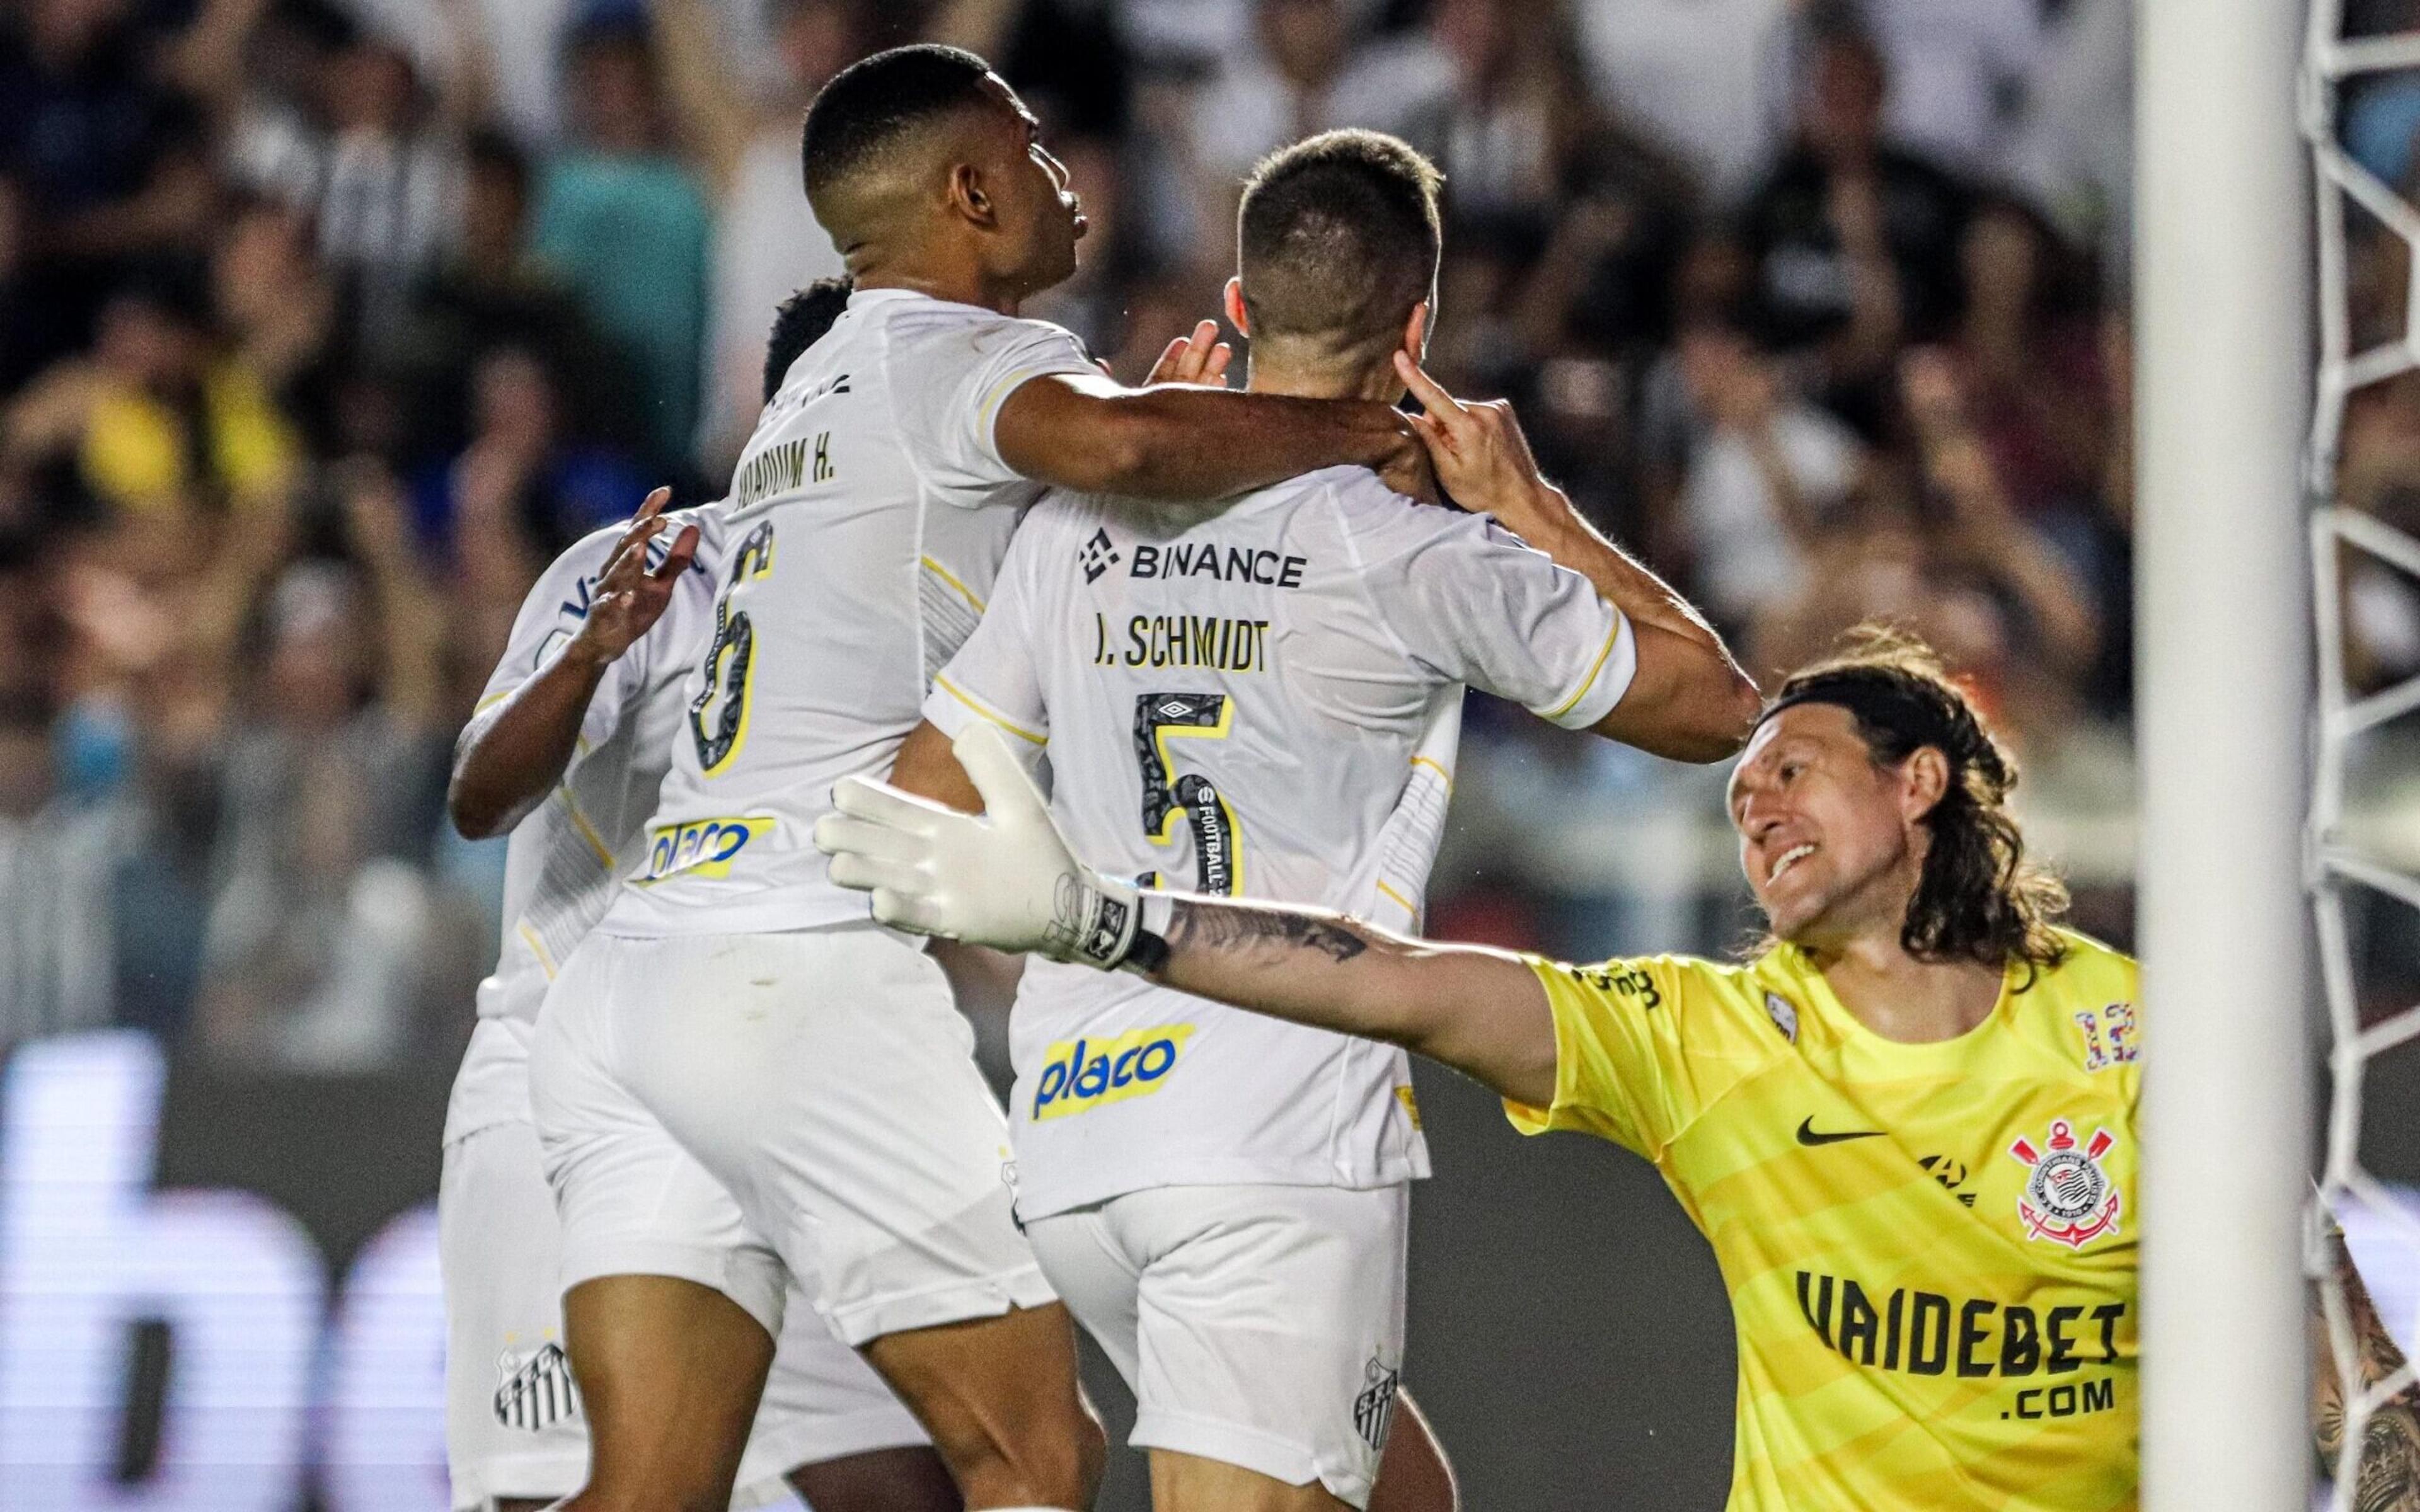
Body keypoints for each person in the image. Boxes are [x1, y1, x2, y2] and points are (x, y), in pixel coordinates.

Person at [815, 615, 2420, 1509]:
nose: (1759, 809)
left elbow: (2348, 1363)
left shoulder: (2137, 1031)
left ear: (1923, 779)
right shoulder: (1706, 1039)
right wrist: (1100, 922)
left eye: (1794, 771)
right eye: (1738, 799)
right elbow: (1404, 985)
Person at [529, 43, 1441, 1512]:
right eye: (1035, 152)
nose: (1066, 178)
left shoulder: (822, 379)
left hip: (637, 979)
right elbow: (1119, 446)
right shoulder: (960, 354)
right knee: (1033, 1455)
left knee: (647, 1495)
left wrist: (1185, 442)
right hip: (794, 974)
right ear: (968, 191)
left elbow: (1096, 478)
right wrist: (1372, 431)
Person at [882, 129, 1756, 1512]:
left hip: (1074, 1142)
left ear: (1236, 312)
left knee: (1408, 1503)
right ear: (1417, 332)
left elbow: (924, 803)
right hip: (1270, 1144)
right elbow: (1721, 708)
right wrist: (1528, 506)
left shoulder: (1077, 525)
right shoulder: (1417, 552)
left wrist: (1052, 942)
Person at [438, 265, 963, 1512]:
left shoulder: (923, 609)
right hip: (562, 1103)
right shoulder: (653, 569)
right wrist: (592, 654)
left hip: (766, 1120)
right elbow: (478, 795)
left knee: (905, 1494)